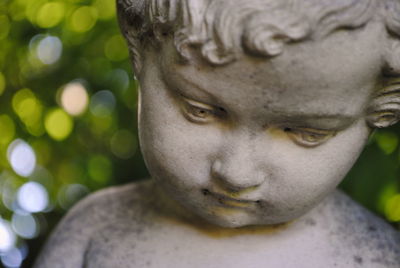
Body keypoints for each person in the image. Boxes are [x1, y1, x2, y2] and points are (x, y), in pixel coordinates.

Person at [34, 0, 400, 267]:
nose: (236, 173)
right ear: (140, 58)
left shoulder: (376, 256)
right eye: (200, 110)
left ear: (377, 113)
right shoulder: (95, 231)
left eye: (305, 132)